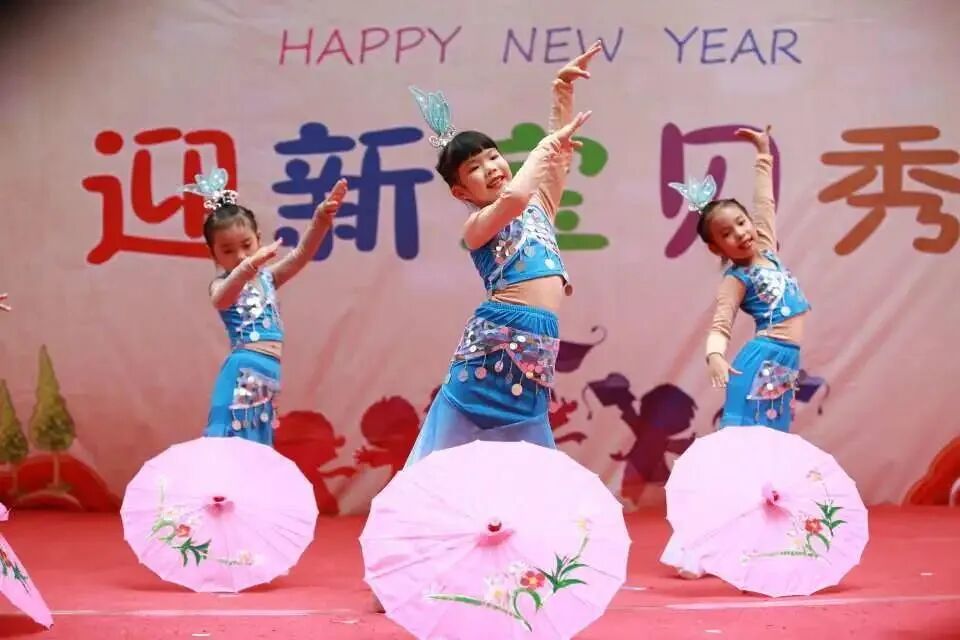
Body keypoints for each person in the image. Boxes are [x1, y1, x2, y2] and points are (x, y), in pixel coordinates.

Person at [184, 167, 347, 446]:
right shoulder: (222, 284)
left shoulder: (267, 278)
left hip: (267, 376)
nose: (240, 256)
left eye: (247, 245)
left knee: (256, 445)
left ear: (259, 238)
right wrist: (249, 266)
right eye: (227, 250)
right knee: (233, 444)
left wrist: (320, 220)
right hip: (242, 373)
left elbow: (300, 255)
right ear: (212, 254)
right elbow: (221, 299)